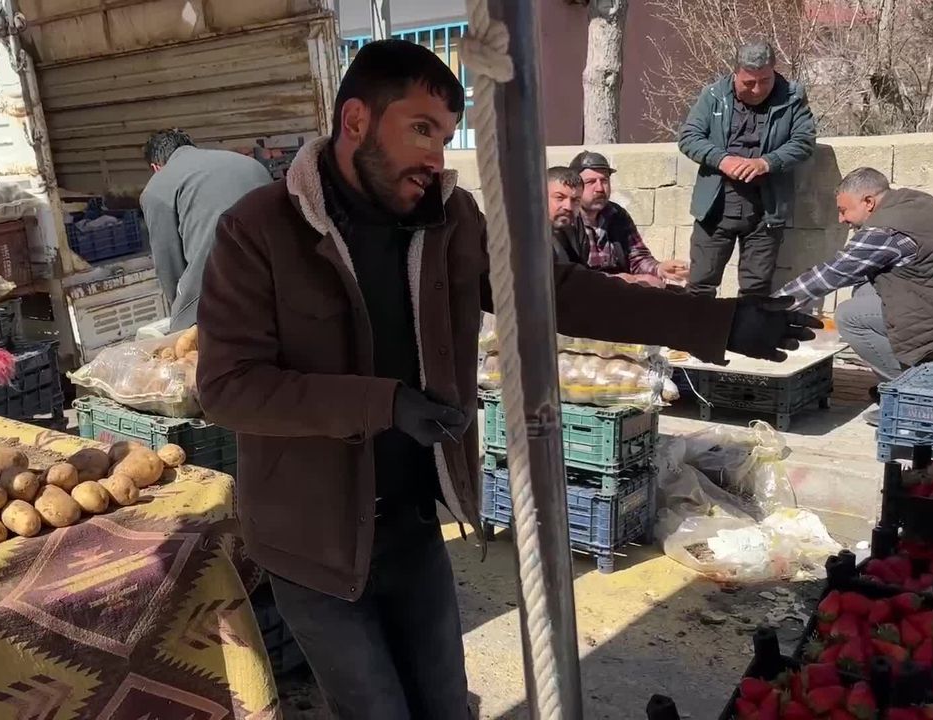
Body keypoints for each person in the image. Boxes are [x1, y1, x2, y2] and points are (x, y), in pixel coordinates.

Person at [196, 39, 817, 720]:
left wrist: (716, 322)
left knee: (444, 704)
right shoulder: (258, 230)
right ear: (356, 121)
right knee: (374, 709)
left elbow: (555, 291)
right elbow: (228, 388)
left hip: (412, 523)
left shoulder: (449, 219)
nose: (437, 157)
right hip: (308, 539)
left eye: (445, 136)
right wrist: (384, 403)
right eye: (421, 129)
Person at [776, 167, 933, 422]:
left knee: (849, 316)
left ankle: (916, 397)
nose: (841, 219)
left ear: (868, 202)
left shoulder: (884, 230)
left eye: (843, 210)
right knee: (864, 291)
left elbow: (832, 273)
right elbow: (856, 271)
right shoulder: (913, 201)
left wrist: (771, 306)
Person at [677, 40, 817, 297]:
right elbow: (689, 137)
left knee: (756, 290)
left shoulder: (793, 96)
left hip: (766, 209)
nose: (757, 89)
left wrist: (766, 163)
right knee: (700, 284)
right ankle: (698, 325)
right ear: (735, 74)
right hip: (716, 206)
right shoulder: (713, 95)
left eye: (765, 81)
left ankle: (749, 325)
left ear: (774, 70)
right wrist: (722, 160)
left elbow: (804, 142)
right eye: (749, 83)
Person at [139, 129, 272, 332]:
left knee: (185, 339)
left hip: (221, 292)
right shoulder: (248, 164)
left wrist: (181, 313)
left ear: (155, 167)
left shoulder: (157, 187)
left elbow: (168, 264)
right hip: (278, 278)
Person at [570, 150, 689, 288]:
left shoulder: (616, 215)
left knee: (670, 290)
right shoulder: (568, 220)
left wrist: (659, 269)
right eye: (590, 182)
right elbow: (568, 273)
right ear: (575, 187)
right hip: (585, 290)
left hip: (621, 289)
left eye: (604, 180)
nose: (600, 188)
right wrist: (614, 279)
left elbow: (637, 259)